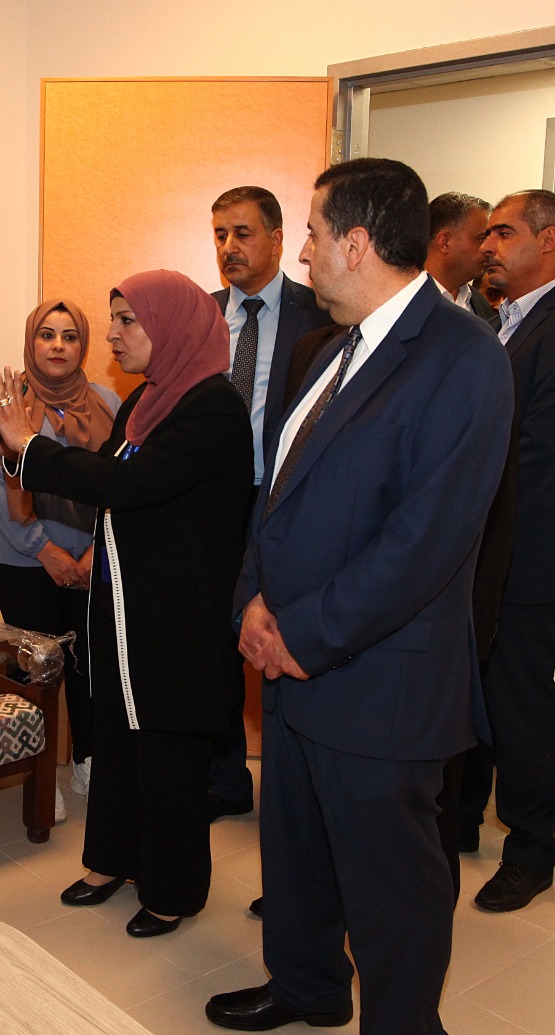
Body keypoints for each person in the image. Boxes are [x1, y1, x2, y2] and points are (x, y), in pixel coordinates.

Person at [205, 159, 512, 1035]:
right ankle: (305, 984)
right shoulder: (327, 349)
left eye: (309, 231)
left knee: (393, 885)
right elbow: (278, 493)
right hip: (293, 663)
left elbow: (424, 542)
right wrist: (253, 602)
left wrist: (302, 632)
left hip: (381, 677)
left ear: (357, 242)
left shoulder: (463, 358)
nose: (300, 251)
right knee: (295, 850)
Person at [0, 270, 253, 937]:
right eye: (113, 319)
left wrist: (30, 447)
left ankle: (171, 890)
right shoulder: (144, 402)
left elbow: (127, 483)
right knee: (118, 740)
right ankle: (111, 860)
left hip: (176, 617)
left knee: (168, 755)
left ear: (172, 326)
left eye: (128, 320)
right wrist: (24, 447)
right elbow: (107, 473)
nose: (112, 334)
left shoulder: (213, 406)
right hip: (126, 609)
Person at [463, 190, 555, 912]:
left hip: (523, 557)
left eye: (503, 232)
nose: (487, 246)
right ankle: (459, 820)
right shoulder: (496, 324)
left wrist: (454, 502)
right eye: (487, 233)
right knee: (470, 694)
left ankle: (530, 851)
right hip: (475, 552)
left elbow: (539, 451)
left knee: (520, 704)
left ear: (549, 241)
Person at [209, 185, 332, 822]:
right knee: (212, 645)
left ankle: (291, 797)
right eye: (220, 235)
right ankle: (224, 781)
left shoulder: (322, 315)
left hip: (281, 505)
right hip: (209, 504)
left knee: (278, 638)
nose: (229, 247)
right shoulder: (202, 316)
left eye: (243, 233)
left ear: (278, 239)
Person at [0, 298, 119, 803]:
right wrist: (47, 551)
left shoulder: (108, 402)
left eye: (70, 336)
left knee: (90, 665)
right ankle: (36, 779)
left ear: (83, 346)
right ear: (31, 342)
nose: (58, 345)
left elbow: (120, 480)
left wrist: (95, 551)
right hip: (23, 561)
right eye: (47, 334)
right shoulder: (6, 403)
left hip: (94, 559)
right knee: (31, 668)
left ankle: (87, 761)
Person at [425, 191, 495, 320]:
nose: (489, 248)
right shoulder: (399, 298)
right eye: (482, 238)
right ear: (445, 242)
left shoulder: (481, 305)